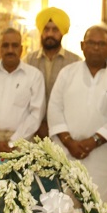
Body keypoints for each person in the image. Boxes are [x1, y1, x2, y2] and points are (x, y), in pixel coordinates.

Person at [49, 25, 107, 205]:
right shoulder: (67, 73)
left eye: (102, 44)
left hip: (102, 159)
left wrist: (93, 142)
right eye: (92, 43)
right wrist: (69, 142)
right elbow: (54, 108)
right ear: (82, 45)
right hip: (67, 154)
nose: (96, 47)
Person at [0, 28, 45, 155]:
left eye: (15, 45)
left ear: (21, 49)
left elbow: (36, 114)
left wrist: (13, 142)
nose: (10, 50)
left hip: (22, 142)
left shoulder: (34, 76)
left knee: (19, 176)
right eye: (5, 46)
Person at [24, 7, 81, 137]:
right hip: (32, 130)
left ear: (62, 32)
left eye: (55, 30)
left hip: (64, 130)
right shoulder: (28, 60)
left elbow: (76, 98)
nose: (50, 34)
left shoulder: (75, 61)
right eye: (46, 29)